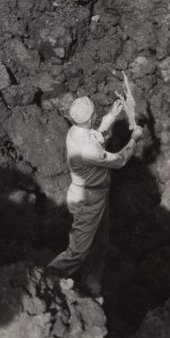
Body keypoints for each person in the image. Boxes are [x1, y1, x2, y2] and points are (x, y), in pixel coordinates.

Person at [48, 95, 143, 298]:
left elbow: (93, 135)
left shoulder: (75, 131)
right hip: (89, 199)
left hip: (95, 194)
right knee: (77, 252)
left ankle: (92, 286)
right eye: (95, 115)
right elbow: (119, 160)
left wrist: (110, 117)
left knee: (100, 242)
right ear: (90, 118)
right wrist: (134, 139)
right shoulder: (88, 149)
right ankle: (46, 280)